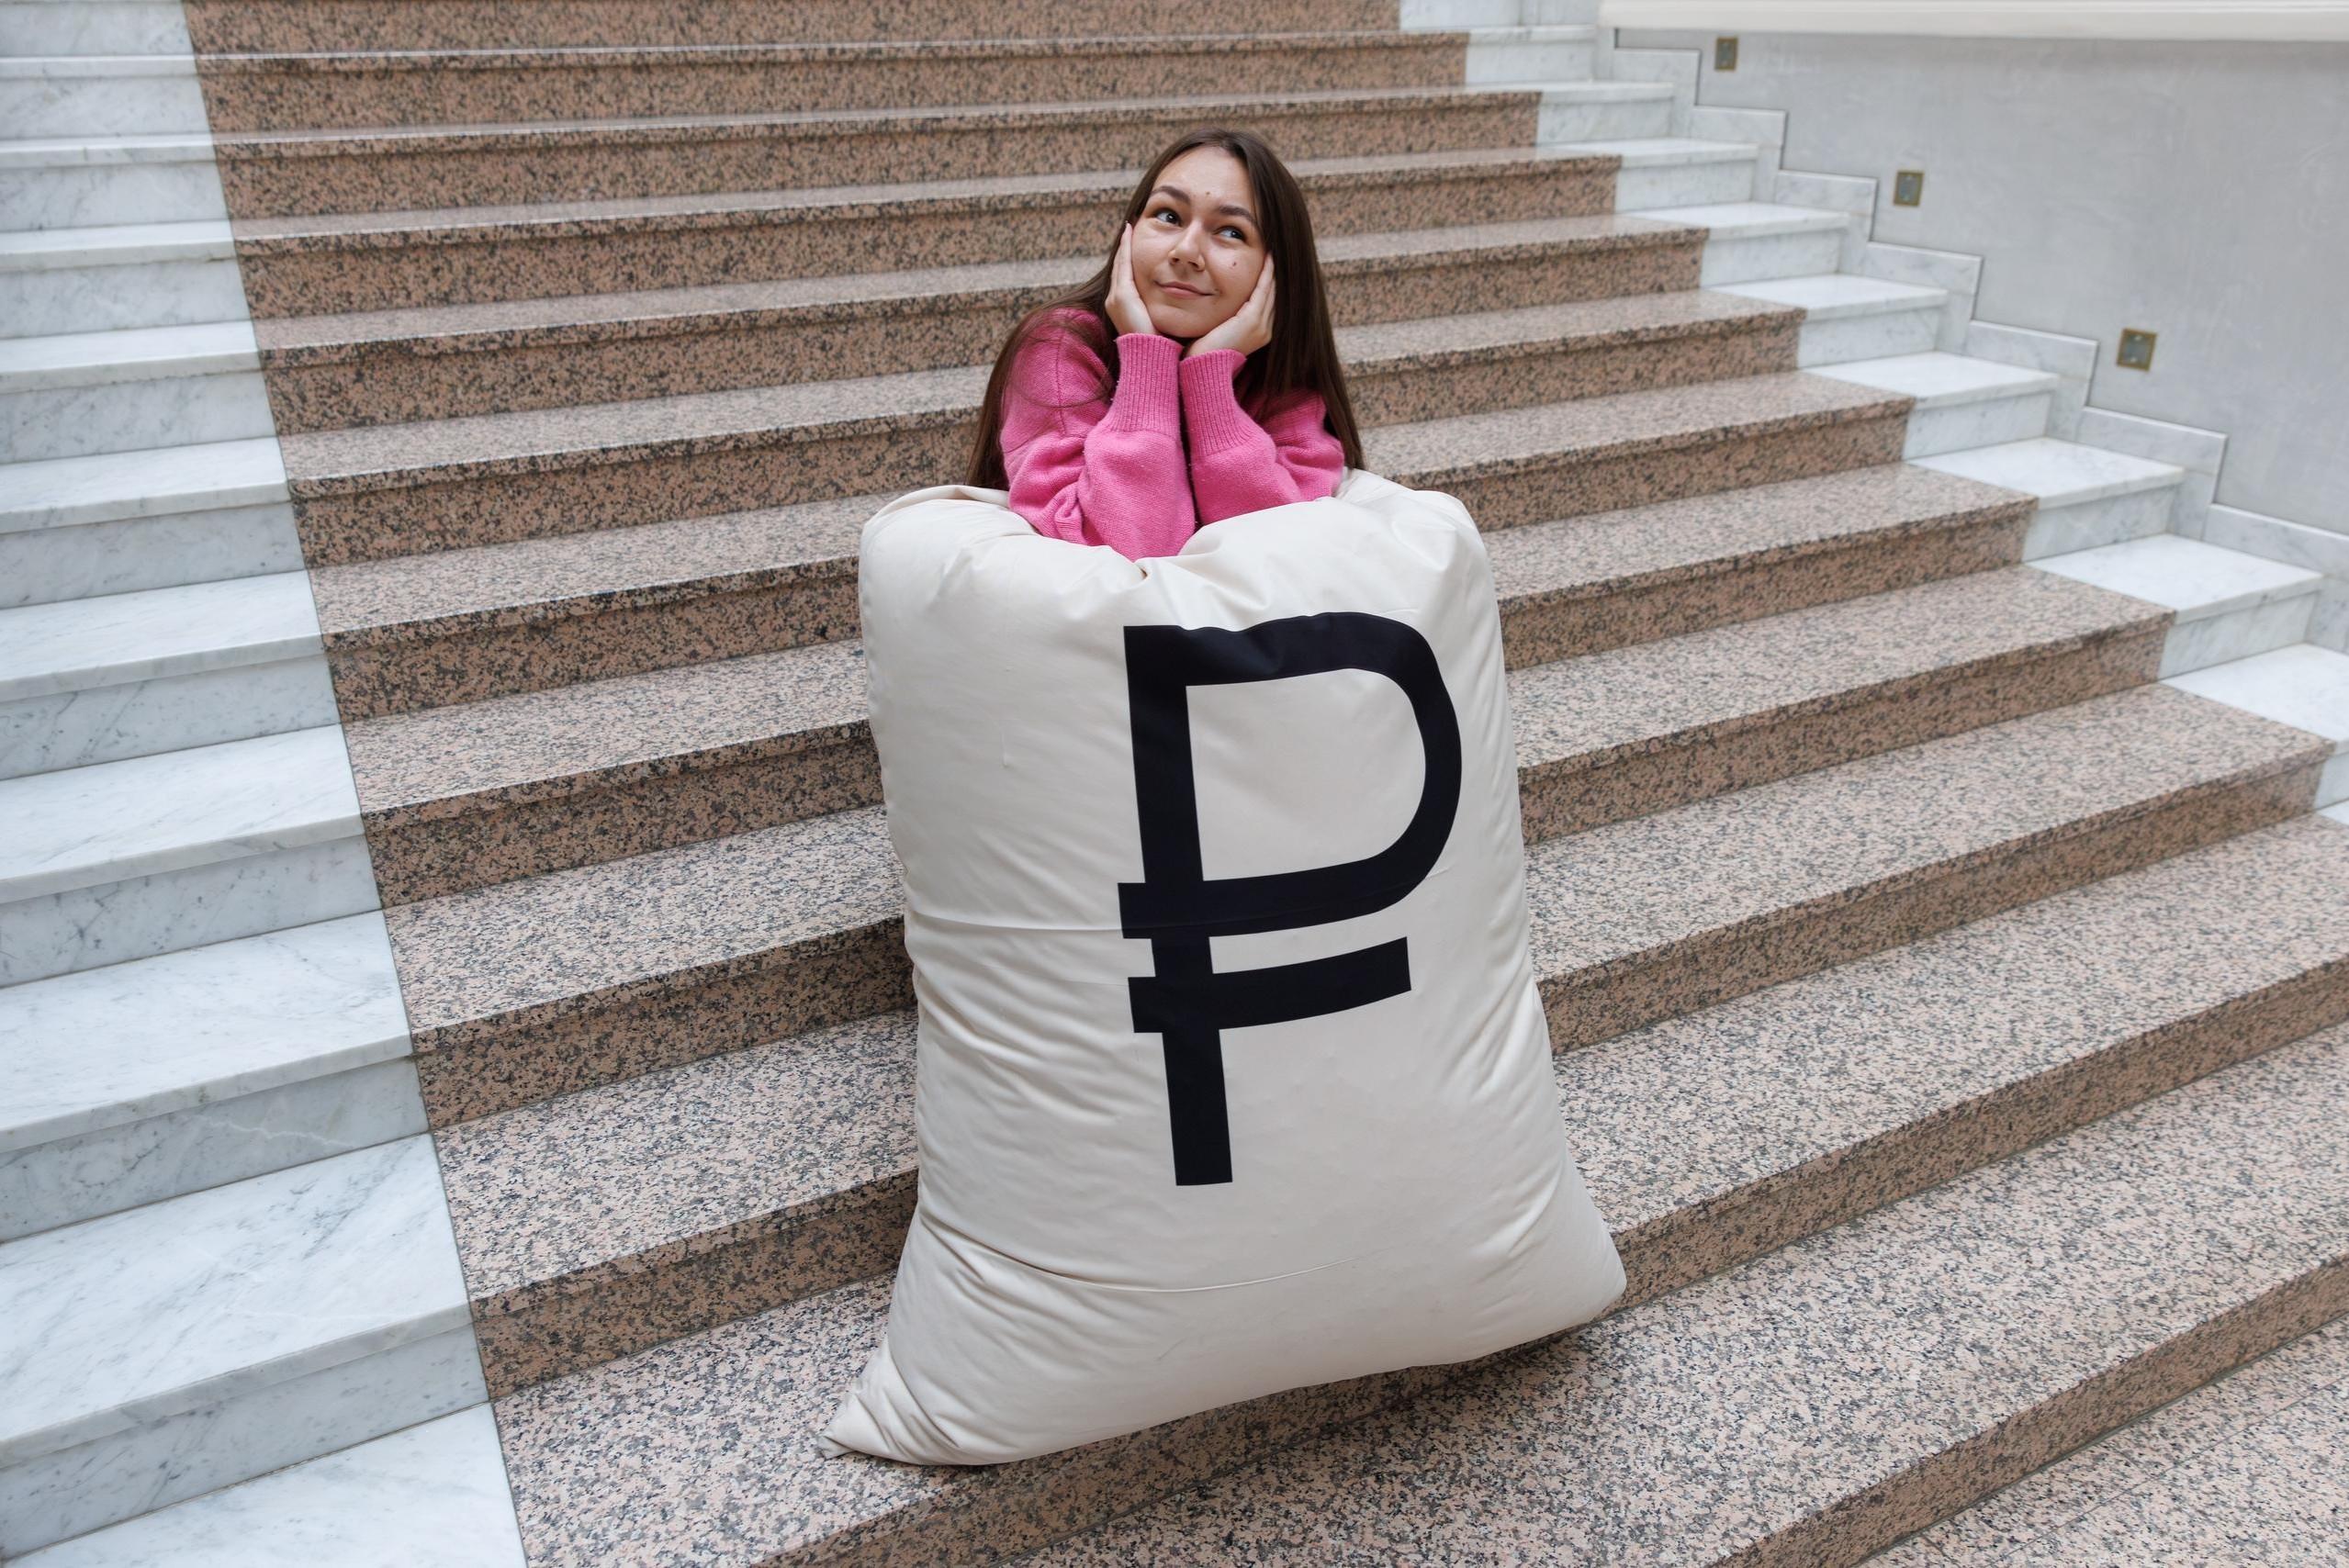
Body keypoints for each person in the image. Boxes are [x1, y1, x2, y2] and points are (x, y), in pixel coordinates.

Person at [961, 129, 1368, 560]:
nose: (1186, 251)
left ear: (1277, 270)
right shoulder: (1062, 346)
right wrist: (1146, 361)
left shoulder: (1282, 376)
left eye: (1231, 232)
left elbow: (1279, 552)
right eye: (1169, 216)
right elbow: (1119, 549)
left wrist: (1209, 379)